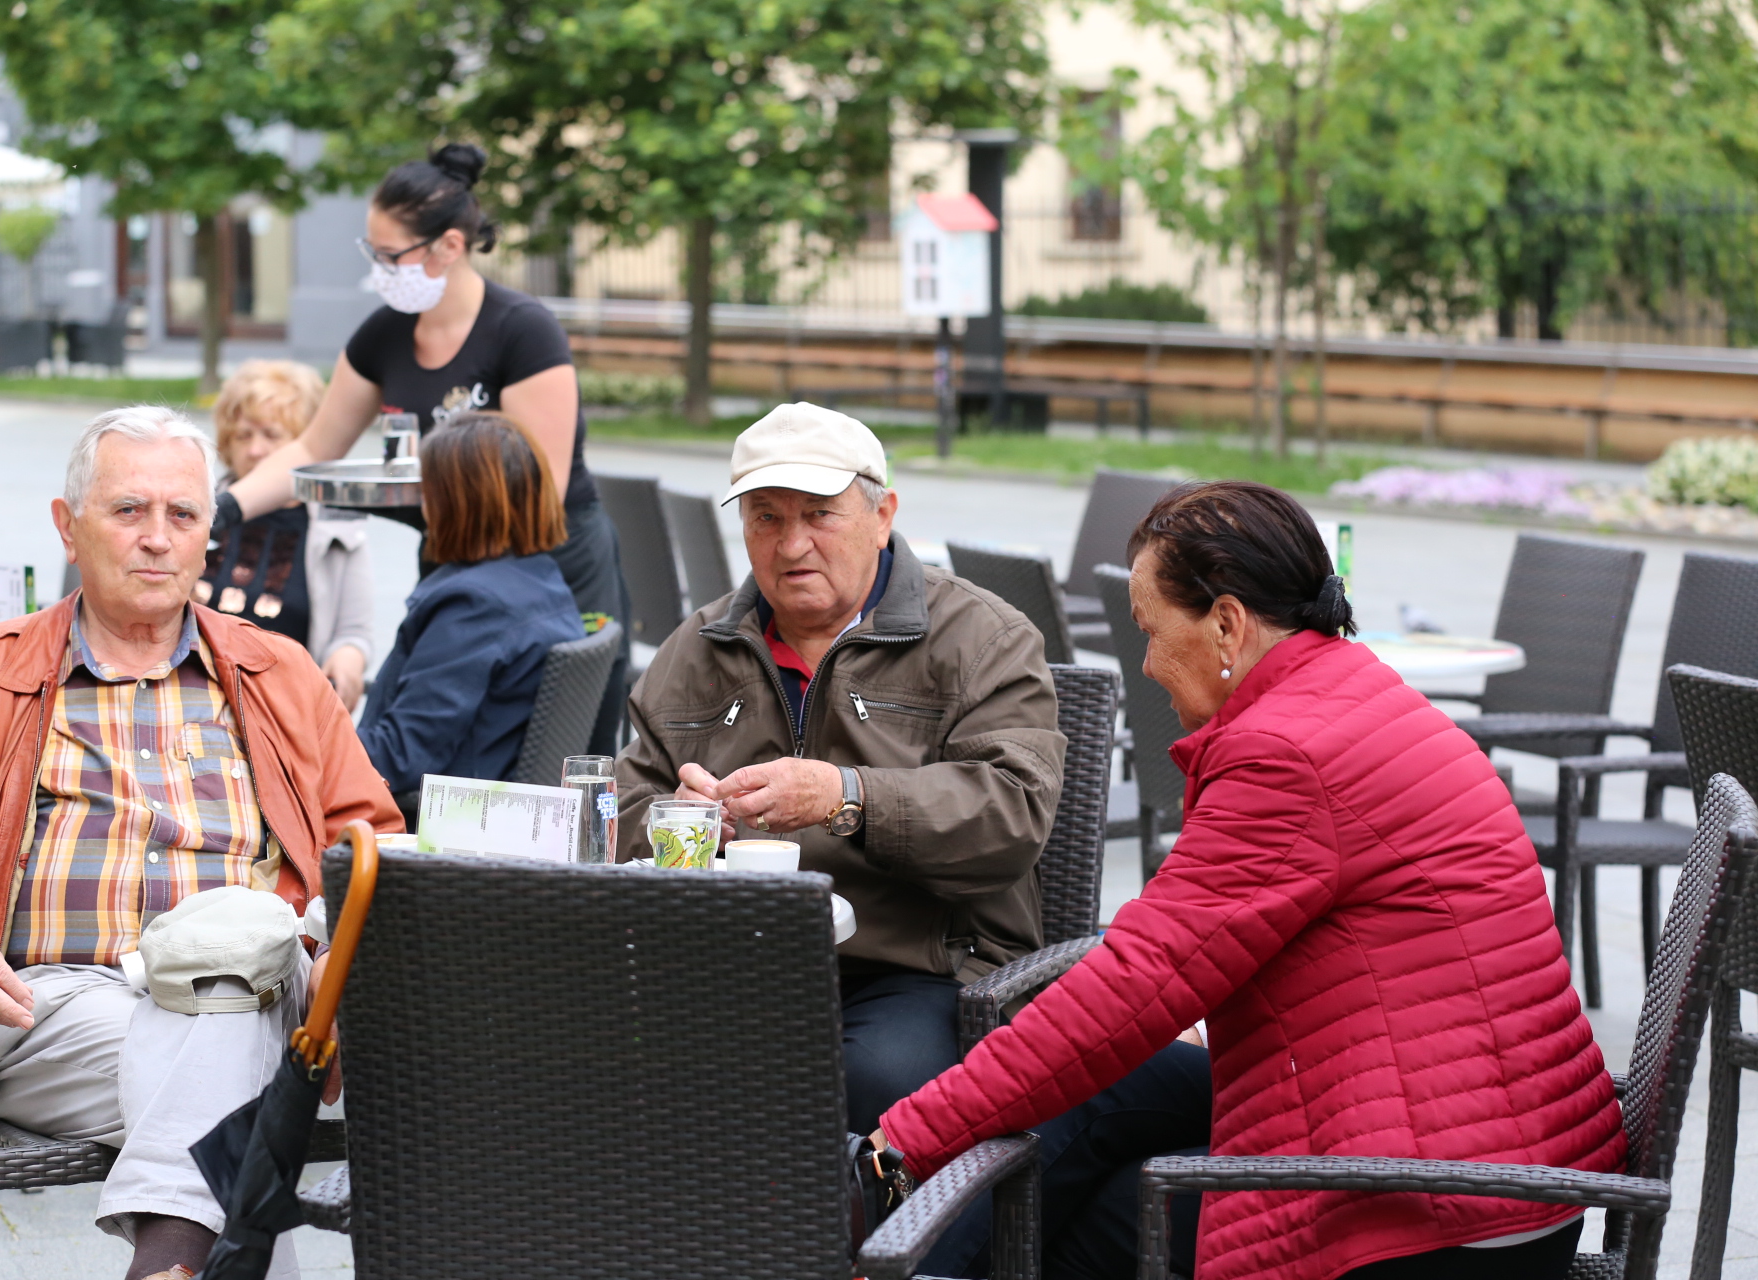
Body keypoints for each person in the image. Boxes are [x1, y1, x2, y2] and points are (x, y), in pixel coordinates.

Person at [873, 481, 1627, 1280]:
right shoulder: (1344, 691)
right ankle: (899, 1251)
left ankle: (890, 1230)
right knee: (1094, 1106)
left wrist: (907, 1136)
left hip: (1433, 1208)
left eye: (1151, 633)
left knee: (1086, 1215)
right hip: (1491, 1149)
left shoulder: (1286, 752)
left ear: (1227, 623)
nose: (1151, 666)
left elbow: (1133, 987)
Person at [0, 406, 403, 1280]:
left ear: (208, 537)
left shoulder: (279, 673)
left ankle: (172, 1264)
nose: (156, 539)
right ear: (68, 527)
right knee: (234, 1036)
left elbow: (368, 845)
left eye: (181, 516)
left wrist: (336, 941)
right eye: (127, 511)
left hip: (267, 980)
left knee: (229, 986)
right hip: (61, 1008)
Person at [615, 401, 1066, 1135]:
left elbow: (1009, 813)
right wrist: (681, 819)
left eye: (819, 514)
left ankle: (851, 1250)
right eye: (766, 518)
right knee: (599, 1059)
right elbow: (619, 809)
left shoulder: (984, 638)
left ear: (882, 515)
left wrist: (843, 796)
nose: (792, 544)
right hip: (736, 962)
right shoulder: (699, 646)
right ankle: (671, 1246)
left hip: (925, 968)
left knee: (864, 1083)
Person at [219, 142, 628, 754]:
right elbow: (312, 445)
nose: (380, 271)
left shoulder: (522, 331)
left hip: (552, 567)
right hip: (453, 561)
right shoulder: (385, 334)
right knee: (441, 747)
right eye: (373, 253)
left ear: (449, 246)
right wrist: (222, 511)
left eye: (391, 256)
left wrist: (406, 490)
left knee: (560, 760)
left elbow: (538, 483)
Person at [356, 409, 585, 806]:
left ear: (458, 504)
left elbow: (396, 758)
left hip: (443, 827)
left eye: (429, 490)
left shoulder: (472, 608)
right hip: (503, 809)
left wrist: (304, 722)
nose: (421, 503)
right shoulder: (541, 579)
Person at [200, 359, 375, 710]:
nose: (255, 450)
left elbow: (355, 633)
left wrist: (348, 656)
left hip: (287, 711)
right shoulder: (200, 511)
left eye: (271, 435)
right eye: (243, 435)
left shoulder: (338, 529)